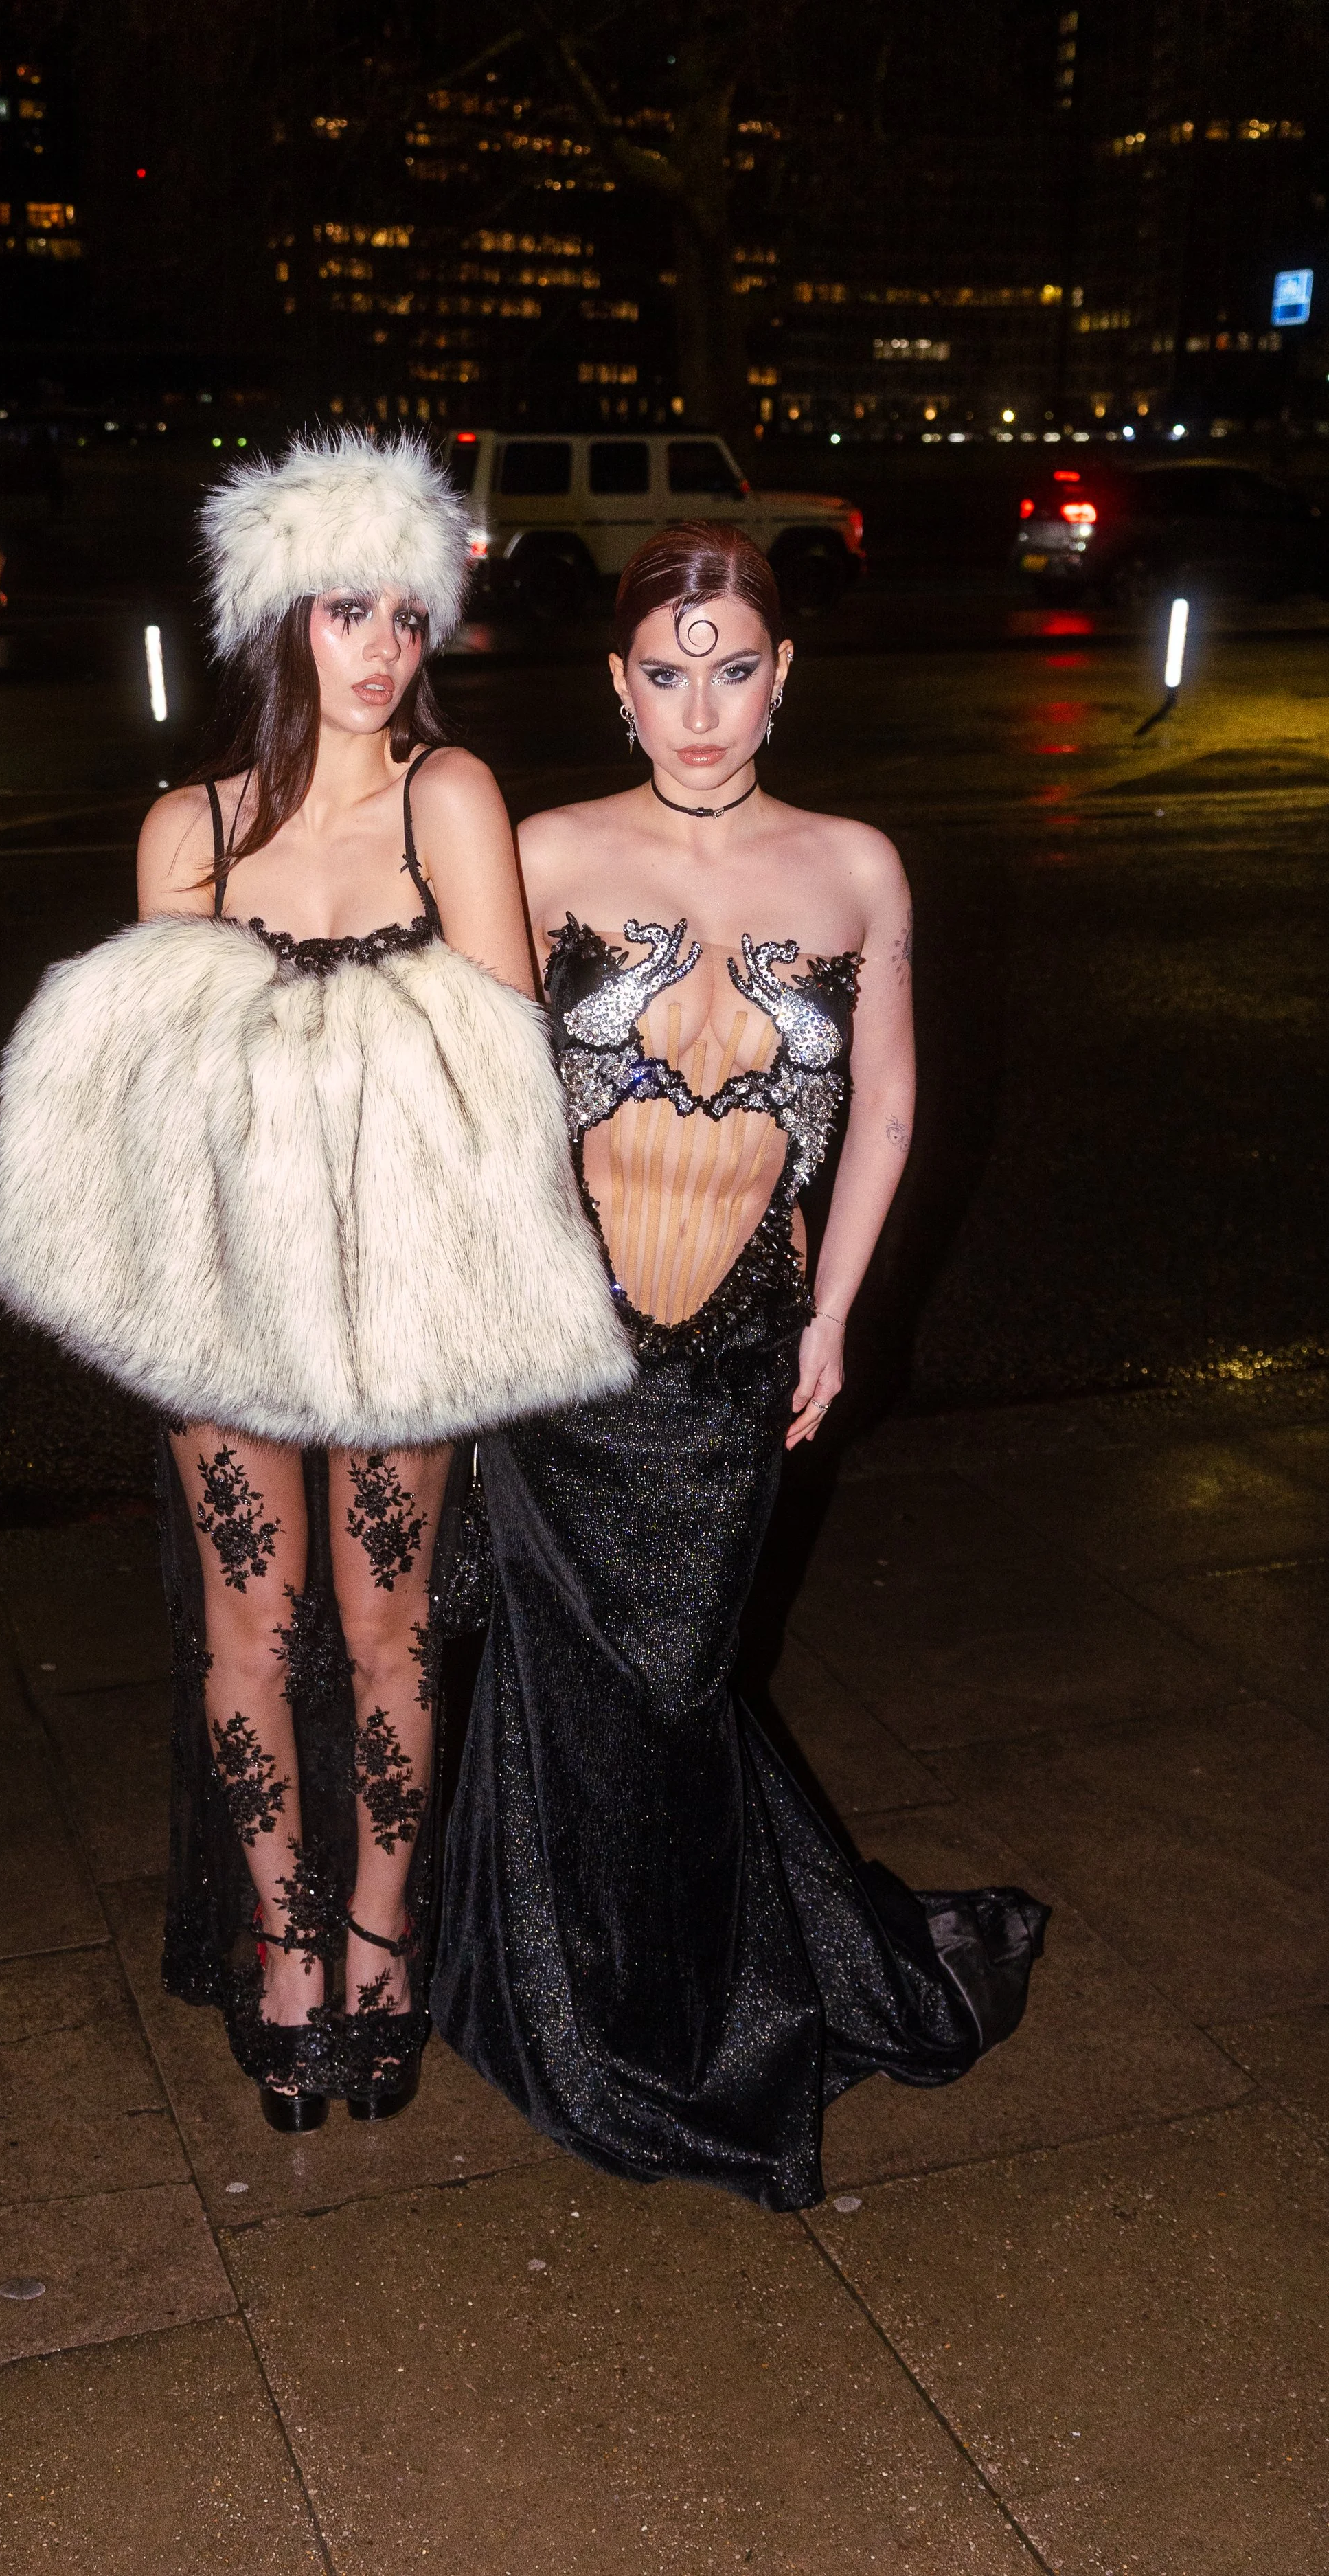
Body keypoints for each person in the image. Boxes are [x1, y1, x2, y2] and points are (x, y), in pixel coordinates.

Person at [0, 431, 632, 2131]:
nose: (382, 648)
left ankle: (380, 1939)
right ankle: (281, 1943)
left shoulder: (447, 795)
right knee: (250, 1627)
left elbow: (503, 1071)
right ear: (279, 622)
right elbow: (160, 1097)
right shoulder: (185, 829)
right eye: (347, 610)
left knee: (386, 1622)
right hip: (227, 1296)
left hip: (404, 1293)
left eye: (405, 615)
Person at [433, 521, 1046, 2209]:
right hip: (560, 1351)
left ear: (782, 678)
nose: (696, 711)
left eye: (729, 671)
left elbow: (888, 1103)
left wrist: (835, 1314)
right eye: (663, 673)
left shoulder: (854, 867)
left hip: (733, 1364)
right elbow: (460, 1091)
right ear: (615, 686)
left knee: (674, 1685)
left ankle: (696, 1994)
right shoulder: (543, 853)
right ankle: (598, 2010)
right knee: (579, 1691)